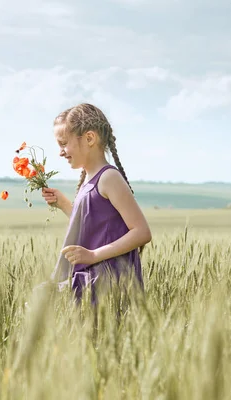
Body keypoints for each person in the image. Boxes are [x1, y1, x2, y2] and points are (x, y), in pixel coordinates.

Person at [42, 103, 152, 305]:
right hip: (93, 281)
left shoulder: (109, 177)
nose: (60, 152)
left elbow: (142, 232)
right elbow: (93, 222)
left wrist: (93, 255)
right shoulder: (89, 180)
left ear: (89, 138)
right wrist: (63, 203)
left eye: (64, 143)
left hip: (110, 283)